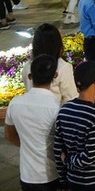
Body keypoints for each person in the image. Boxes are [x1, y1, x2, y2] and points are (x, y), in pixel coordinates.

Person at [54, 59, 95, 190]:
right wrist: (68, 161)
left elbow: (58, 149)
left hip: (74, 181)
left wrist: (63, 179)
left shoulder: (64, 110)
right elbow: (89, 157)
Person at [5, 54, 61, 190]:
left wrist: (27, 145)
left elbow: (9, 135)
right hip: (51, 173)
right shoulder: (57, 107)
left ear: (30, 76)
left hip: (27, 174)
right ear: (55, 75)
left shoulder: (15, 103)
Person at [21, 23, 78, 103]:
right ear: (57, 43)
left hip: (30, 111)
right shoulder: (63, 67)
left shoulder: (28, 66)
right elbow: (71, 98)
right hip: (55, 114)